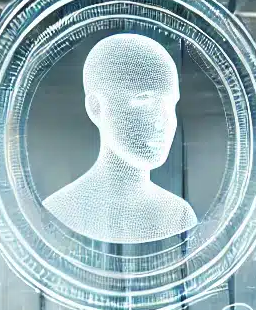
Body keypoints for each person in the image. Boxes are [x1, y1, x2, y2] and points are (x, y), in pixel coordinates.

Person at [43, 33, 197, 244]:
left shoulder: (178, 216)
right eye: (143, 100)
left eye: (171, 104)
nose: (166, 121)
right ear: (96, 108)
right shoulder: (58, 213)